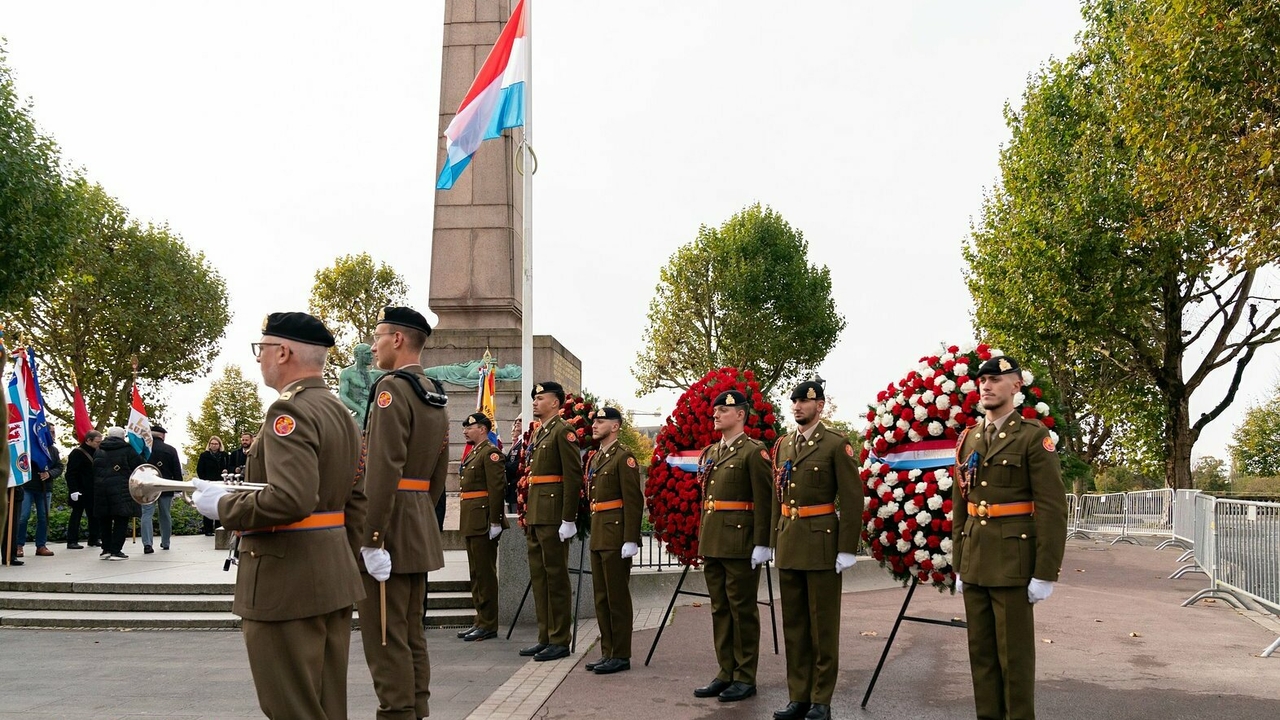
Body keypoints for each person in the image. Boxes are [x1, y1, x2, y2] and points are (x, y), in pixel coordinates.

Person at [191, 311, 365, 720]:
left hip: (286, 580)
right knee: (326, 706)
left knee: (290, 707)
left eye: (263, 348)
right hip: (330, 574)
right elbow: (357, 500)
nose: (259, 357)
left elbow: (291, 498)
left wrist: (223, 506)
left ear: (283, 352)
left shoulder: (289, 412)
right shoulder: (340, 412)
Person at [953, 355, 1068, 720]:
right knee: (981, 657)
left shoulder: (1032, 436)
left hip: (1013, 563)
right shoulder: (969, 438)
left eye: (995, 380)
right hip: (975, 559)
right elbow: (961, 504)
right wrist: (959, 562)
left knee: (1014, 660)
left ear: (1016, 386)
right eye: (982, 380)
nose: (986, 386)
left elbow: (1052, 508)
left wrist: (1045, 572)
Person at [355, 306, 449, 720]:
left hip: (389, 528)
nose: (374, 345)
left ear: (397, 339)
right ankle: (417, 708)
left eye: (378, 336)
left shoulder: (392, 389)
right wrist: (420, 514)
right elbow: (439, 473)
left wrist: (372, 537)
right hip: (416, 521)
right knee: (410, 631)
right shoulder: (432, 391)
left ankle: (397, 713)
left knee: (385, 635)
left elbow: (382, 469)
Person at [769, 381, 864, 720]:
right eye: (794, 401)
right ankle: (798, 696)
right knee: (794, 626)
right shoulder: (783, 445)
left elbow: (852, 498)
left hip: (822, 545)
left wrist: (846, 548)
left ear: (820, 406)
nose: (797, 406)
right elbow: (776, 496)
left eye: (804, 402)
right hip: (790, 542)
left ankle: (821, 699)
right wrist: (772, 541)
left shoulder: (835, 444)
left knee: (822, 627)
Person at [692, 389, 772, 703]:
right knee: (720, 609)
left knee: (742, 610)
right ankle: (725, 671)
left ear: (740, 414)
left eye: (723, 411)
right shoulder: (712, 452)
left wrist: (762, 543)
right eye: (715, 411)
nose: (716, 415)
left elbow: (765, 500)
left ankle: (745, 676)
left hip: (740, 543)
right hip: (714, 540)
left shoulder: (753, 451)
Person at [520, 380, 583, 662]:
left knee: (556, 578)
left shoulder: (562, 431)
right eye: (535, 398)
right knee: (540, 577)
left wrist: (568, 518)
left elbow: (573, 476)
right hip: (537, 513)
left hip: (552, 515)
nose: (535, 402)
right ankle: (545, 636)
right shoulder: (540, 432)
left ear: (555, 402)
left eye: (540, 398)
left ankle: (559, 639)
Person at [583, 406, 643, 675]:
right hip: (599, 532)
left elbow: (633, 500)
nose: (595, 425)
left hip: (615, 535)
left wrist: (631, 538)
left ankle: (620, 654)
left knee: (617, 598)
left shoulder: (623, 457)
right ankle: (607, 651)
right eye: (594, 421)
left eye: (601, 421)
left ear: (615, 426)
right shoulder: (597, 457)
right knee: (602, 597)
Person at [456, 411, 508, 642]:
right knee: (476, 573)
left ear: (483, 429)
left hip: (483, 520)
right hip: (472, 519)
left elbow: (496, 489)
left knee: (485, 573)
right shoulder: (474, 452)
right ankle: (480, 620)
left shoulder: (490, 453)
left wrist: (495, 520)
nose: (466, 431)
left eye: (470, 427)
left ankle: (488, 623)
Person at [93, 427, 144, 560]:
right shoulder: (127, 449)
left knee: (104, 520)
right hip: (121, 490)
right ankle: (116, 550)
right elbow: (140, 466)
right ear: (122, 436)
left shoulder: (99, 450)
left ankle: (106, 550)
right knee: (121, 519)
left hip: (101, 490)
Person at [15, 429, 63, 558]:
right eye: (50, 431)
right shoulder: (28, 448)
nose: (52, 434)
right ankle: (18, 545)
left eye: (53, 432)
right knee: (23, 517)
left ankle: (41, 545)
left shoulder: (53, 450)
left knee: (43, 517)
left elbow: (59, 467)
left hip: (45, 488)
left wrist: (49, 474)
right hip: (28, 486)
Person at [139, 424, 182, 553]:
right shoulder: (170, 449)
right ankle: (165, 542)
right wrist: (178, 488)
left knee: (146, 514)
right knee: (165, 515)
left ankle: (147, 544)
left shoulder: (143, 449)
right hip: (166, 485)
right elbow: (176, 470)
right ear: (162, 436)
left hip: (147, 486)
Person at [66, 430, 104, 549]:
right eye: (97, 442)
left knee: (94, 515)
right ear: (88, 440)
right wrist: (73, 489)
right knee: (76, 515)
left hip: (93, 489)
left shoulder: (98, 452)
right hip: (80, 489)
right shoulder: (77, 453)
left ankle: (94, 538)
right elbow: (70, 473)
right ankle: (72, 540)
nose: (99, 444)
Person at [339, 342, 384, 429]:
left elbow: (394, 377)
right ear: (357, 355)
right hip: (360, 414)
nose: (371, 357)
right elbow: (343, 396)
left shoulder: (374, 374)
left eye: (371, 354)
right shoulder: (347, 373)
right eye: (367, 354)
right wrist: (360, 411)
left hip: (375, 412)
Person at [196, 436, 228, 536]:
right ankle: (208, 529)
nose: (214, 445)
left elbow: (228, 466)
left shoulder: (224, 455)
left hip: (221, 483)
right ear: (209, 445)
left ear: (219, 445)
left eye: (216, 444)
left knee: (220, 504)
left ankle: (219, 527)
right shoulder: (204, 455)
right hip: (208, 483)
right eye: (212, 444)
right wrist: (204, 480)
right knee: (208, 504)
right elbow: (200, 469)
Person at [503, 417, 524, 513]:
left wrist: (503, 465)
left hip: (518, 486)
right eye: (516, 421)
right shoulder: (517, 442)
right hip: (511, 488)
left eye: (521, 420)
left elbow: (520, 463)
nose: (517, 422)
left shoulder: (524, 442)